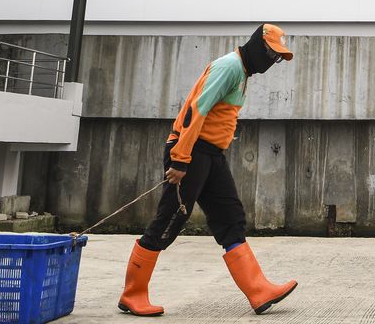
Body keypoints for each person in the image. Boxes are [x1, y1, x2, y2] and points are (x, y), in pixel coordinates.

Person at [118, 24, 298, 317]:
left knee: (231, 217)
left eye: (277, 57)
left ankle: (258, 290)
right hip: (192, 151)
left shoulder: (242, 72)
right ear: (255, 45)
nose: (272, 61)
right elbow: (195, 111)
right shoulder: (229, 67)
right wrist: (179, 159)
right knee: (170, 219)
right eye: (270, 53)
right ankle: (132, 294)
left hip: (212, 154)